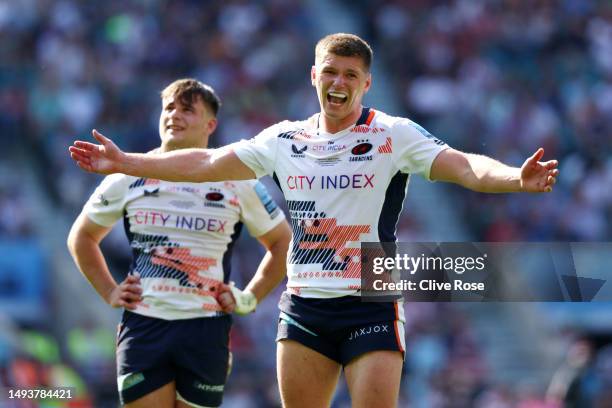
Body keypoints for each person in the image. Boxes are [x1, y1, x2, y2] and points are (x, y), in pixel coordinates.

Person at [69, 34, 559, 407]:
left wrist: (516, 177)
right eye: (331, 72)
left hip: (372, 294)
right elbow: (205, 164)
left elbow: (464, 166)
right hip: (304, 301)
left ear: (366, 84)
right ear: (314, 77)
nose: (339, 82)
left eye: (350, 75)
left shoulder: (394, 134)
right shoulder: (283, 139)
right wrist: (126, 161)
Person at [67, 78, 291, 408]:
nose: (175, 115)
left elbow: (282, 243)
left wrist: (249, 298)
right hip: (144, 326)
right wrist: (109, 290)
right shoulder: (127, 174)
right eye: (169, 108)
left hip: (206, 329)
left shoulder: (238, 181)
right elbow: (82, 237)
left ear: (210, 124)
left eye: (187, 109)